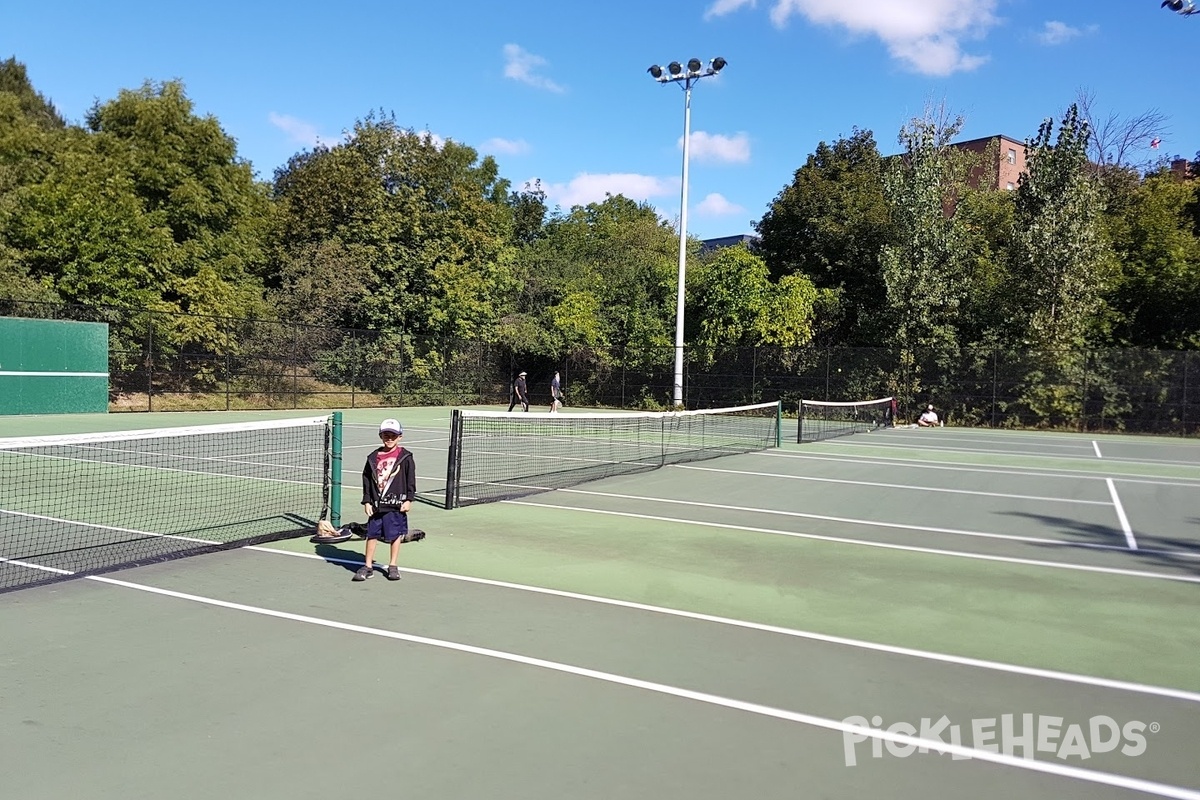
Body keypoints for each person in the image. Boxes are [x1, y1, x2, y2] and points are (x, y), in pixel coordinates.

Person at [354, 418, 416, 582]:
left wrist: (409, 499)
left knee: (395, 535)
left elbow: (411, 480)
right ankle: (368, 567)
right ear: (381, 436)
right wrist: (367, 500)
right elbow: (366, 479)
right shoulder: (373, 457)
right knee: (372, 534)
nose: (389, 439)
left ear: (400, 437)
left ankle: (393, 565)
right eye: (386, 435)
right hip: (376, 504)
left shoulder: (406, 457)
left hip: (396, 504)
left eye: (393, 436)